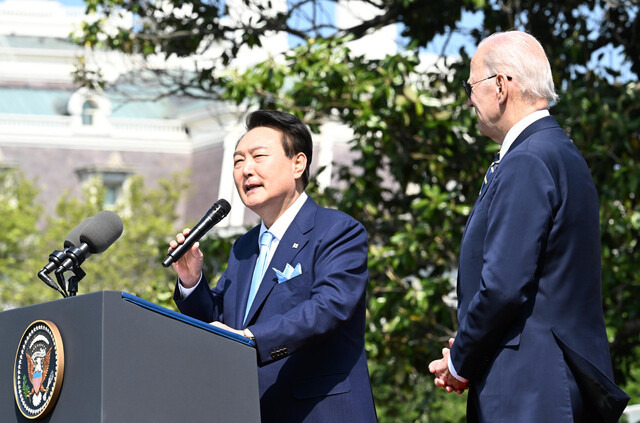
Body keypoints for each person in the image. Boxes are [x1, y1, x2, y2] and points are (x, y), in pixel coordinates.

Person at [428, 31, 629, 422]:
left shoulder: (528, 160)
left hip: (528, 387)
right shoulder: (559, 151)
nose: (469, 99)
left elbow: (503, 286)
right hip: (546, 381)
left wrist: (460, 361)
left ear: (500, 85)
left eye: (471, 87)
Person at [169, 110, 377, 422]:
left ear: (298, 164)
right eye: (238, 161)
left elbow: (329, 307)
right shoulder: (243, 247)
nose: (246, 170)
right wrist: (191, 281)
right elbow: (220, 325)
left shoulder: (337, 230)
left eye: (258, 156)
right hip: (255, 410)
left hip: (319, 411)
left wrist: (253, 339)